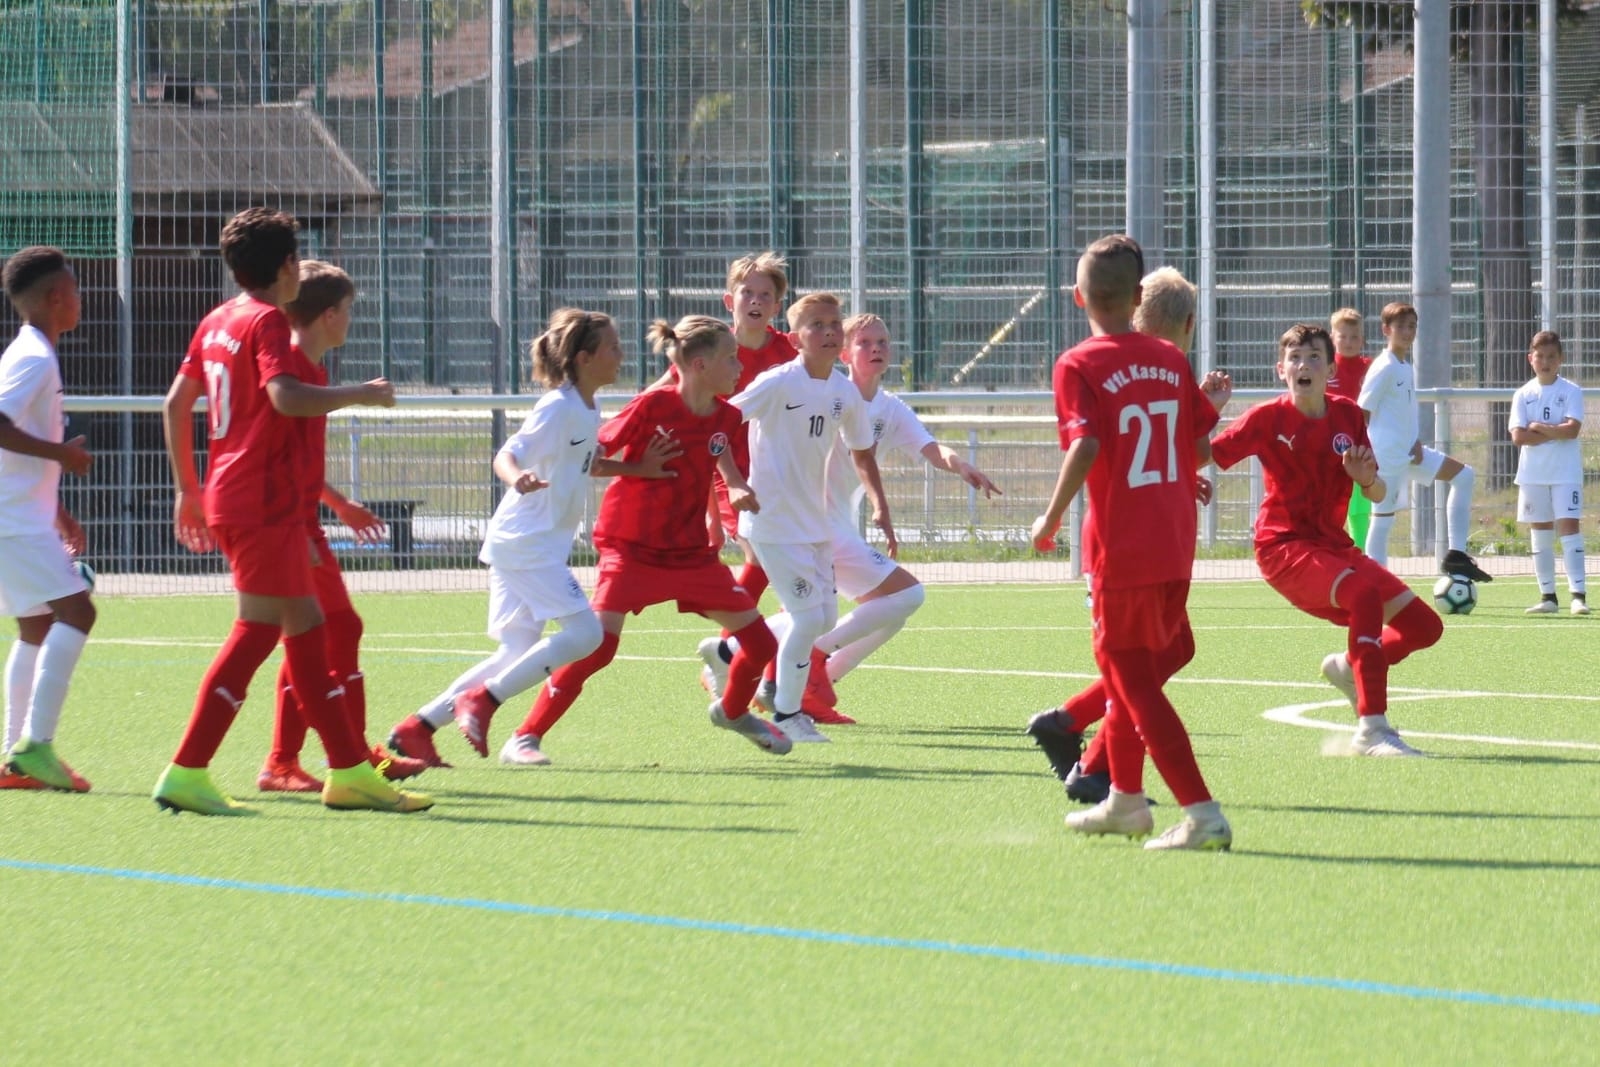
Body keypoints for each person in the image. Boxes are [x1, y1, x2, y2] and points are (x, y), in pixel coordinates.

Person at [154, 206, 430, 815]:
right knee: (259, 632)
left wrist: (188, 490)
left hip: (240, 496)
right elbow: (285, 397)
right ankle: (189, 769)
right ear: (286, 266)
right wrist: (360, 394)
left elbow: (176, 403)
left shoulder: (217, 320)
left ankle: (346, 770)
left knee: (308, 631)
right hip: (263, 500)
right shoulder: (267, 322)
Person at [490, 315, 792, 762]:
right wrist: (638, 468)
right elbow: (591, 460)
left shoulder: (727, 416)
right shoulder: (651, 406)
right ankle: (525, 736)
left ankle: (731, 713)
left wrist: (736, 485)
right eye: (731, 358)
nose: (740, 367)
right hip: (631, 548)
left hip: (689, 555)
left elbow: (718, 451)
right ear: (700, 365)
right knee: (597, 647)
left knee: (762, 644)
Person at [1029, 236, 1231, 851]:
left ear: (1077, 296)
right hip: (1175, 540)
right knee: (1129, 677)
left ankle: (1201, 813)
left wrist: (1049, 518)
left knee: (1132, 681)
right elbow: (1198, 446)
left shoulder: (1078, 364)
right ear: (1138, 296)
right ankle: (1123, 799)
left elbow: (1086, 444)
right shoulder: (1169, 359)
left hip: (1123, 547)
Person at [700, 312, 1001, 724]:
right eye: (864, 342)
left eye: (882, 342)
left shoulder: (889, 407)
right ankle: (803, 664)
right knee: (904, 597)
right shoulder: (825, 392)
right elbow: (731, 422)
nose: (876, 348)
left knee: (883, 614)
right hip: (812, 523)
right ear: (843, 352)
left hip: (832, 526)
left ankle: (745, 657)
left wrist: (960, 464)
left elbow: (929, 447)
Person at [385, 309, 618, 766]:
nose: (620, 355)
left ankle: (418, 728)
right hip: (527, 541)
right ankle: (484, 700)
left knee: (516, 650)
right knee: (586, 634)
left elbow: (582, 465)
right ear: (586, 358)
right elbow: (507, 454)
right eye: (613, 347)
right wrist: (517, 478)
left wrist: (638, 468)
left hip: (530, 542)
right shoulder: (558, 406)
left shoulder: (588, 407)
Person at [1209, 324, 1443, 756]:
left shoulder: (1348, 415)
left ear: (1331, 370)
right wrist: (1206, 412)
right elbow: (1199, 455)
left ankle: (1351, 666)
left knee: (1424, 627)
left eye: (1314, 357)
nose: (1304, 365)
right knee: (1363, 596)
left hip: (1334, 546)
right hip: (1283, 546)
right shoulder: (1266, 418)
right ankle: (1372, 729)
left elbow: (1377, 492)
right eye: (1295, 358)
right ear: (1281, 369)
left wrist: (1365, 478)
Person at [255, 260, 429, 792]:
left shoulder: (309, 370)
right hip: (284, 523)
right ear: (329, 315)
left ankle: (296, 760)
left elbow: (295, 457)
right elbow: (270, 455)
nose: (352, 318)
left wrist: (338, 503)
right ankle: (340, 758)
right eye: (349, 309)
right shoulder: (290, 372)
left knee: (314, 635)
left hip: (300, 520)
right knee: (330, 629)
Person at [726, 291, 893, 744]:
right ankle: (786, 711)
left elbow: (862, 450)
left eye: (834, 323)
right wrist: (734, 482)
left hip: (815, 525)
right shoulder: (778, 382)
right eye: (816, 325)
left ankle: (732, 650)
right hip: (773, 523)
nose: (828, 331)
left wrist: (879, 503)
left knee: (822, 619)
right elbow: (720, 424)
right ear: (795, 338)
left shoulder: (843, 391)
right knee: (805, 619)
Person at [0, 246, 95, 792]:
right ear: (56, 297)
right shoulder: (34, 357)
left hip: (23, 517)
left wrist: (57, 510)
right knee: (78, 612)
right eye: (75, 290)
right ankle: (35, 746)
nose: (80, 298)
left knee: (35, 626)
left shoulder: (33, 353)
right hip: (13, 521)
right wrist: (62, 455)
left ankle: (13, 758)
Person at [1357, 302, 1492, 583]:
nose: (1407, 332)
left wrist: (1414, 439)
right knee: (1382, 522)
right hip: (1387, 458)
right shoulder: (1384, 367)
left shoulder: (1404, 365)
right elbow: (1362, 412)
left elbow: (1400, 412)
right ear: (1386, 330)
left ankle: (1456, 555)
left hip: (1410, 453)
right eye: (1400, 327)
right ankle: (1376, 585)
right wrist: (1369, 454)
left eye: (1412, 326)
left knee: (1464, 476)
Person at [1510, 330, 1587, 615]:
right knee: (1540, 532)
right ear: (1530, 358)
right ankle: (1548, 597)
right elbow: (1518, 437)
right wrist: (1556, 431)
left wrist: (1541, 428)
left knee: (1569, 528)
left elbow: (1572, 430)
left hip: (1566, 473)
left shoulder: (1571, 391)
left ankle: (1578, 596)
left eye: (1551, 357)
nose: (1545, 362)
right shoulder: (1523, 394)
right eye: (1540, 356)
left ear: (1561, 359)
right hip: (1533, 474)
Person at [1328, 307, 1374, 548]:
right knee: (1329, 506)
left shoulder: (1371, 368)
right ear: (1332, 338)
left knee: (1358, 508)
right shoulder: (1324, 369)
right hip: (1327, 449)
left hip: (1360, 448)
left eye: (1354, 337)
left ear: (1362, 340)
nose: (1348, 342)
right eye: (1343, 336)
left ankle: (1360, 553)